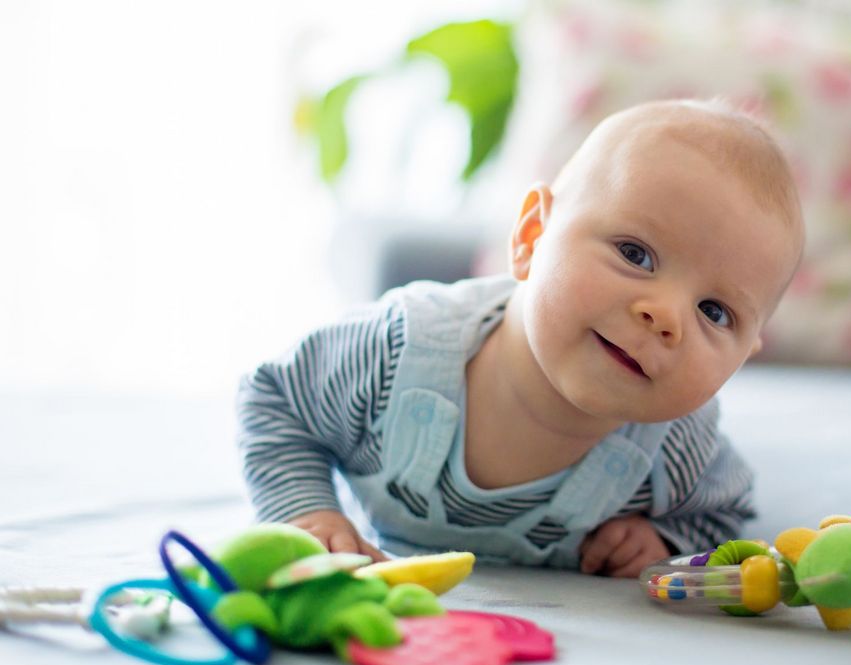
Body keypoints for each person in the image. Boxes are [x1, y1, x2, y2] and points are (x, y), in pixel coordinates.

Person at [237, 99, 805, 578]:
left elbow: (725, 512)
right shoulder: (396, 351)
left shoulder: (677, 450)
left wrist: (660, 538)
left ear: (744, 356)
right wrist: (306, 511)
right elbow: (276, 400)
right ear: (533, 234)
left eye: (715, 311)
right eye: (636, 254)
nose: (666, 316)